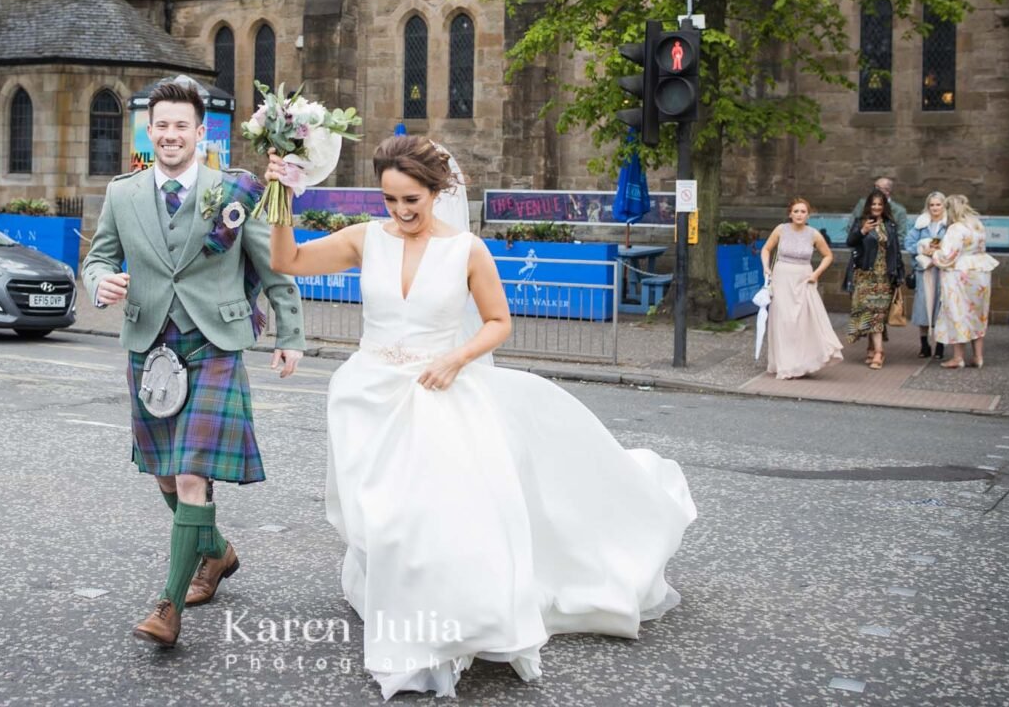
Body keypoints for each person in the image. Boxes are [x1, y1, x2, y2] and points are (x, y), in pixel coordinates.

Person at [264, 136, 696, 699]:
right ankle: (407, 600)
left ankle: (438, 633)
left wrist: (456, 357)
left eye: (412, 199)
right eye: (391, 199)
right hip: (368, 397)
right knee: (381, 519)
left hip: (439, 393)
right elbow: (286, 260)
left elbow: (497, 321)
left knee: (428, 519)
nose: (401, 211)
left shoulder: (466, 250)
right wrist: (280, 193)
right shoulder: (364, 239)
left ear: (438, 192)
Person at [81, 79, 306, 647]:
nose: (171, 134)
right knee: (161, 469)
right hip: (149, 346)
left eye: (183, 125)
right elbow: (99, 256)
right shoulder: (123, 193)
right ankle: (217, 552)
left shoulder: (232, 190)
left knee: (189, 474)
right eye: (162, 125)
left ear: (200, 133)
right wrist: (98, 282)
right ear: (148, 130)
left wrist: (291, 334)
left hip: (213, 346)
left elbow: (274, 266)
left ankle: (168, 606)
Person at [759, 197, 843, 379]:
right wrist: (766, 267)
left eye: (803, 211)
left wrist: (816, 274)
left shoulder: (813, 234)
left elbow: (828, 255)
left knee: (801, 321)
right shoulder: (780, 230)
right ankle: (785, 364)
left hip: (804, 279)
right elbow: (766, 249)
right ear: (790, 214)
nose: (799, 215)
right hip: (782, 278)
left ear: (808, 215)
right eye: (796, 211)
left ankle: (801, 362)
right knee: (783, 321)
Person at [927, 195, 997, 369]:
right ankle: (978, 356)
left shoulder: (955, 228)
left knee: (958, 313)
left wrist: (932, 253)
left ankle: (958, 358)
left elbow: (948, 256)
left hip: (959, 274)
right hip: (980, 273)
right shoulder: (977, 225)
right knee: (978, 314)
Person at [844, 189, 904, 369]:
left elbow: (896, 251)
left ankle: (878, 352)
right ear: (868, 205)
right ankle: (872, 348)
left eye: (880, 204)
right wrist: (862, 231)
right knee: (867, 312)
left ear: (884, 206)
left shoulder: (890, 225)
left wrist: (899, 274)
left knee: (878, 314)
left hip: (884, 276)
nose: (876, 207)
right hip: (865, 275)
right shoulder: (860, 222)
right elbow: (850, 242)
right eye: (874, 204)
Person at [904, 192, 949, 359]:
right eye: (932, 205)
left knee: (941, 307)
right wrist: (923, 248)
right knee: (923, 306)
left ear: (944, 206)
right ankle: (924, 344)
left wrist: (938, 248)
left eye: (938, 204)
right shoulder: (920, 224)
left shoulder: (949, 224)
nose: (935, 208)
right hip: (925, 271)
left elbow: (954, 244)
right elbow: (909, 243)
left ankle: (940, 346)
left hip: (942, 271)